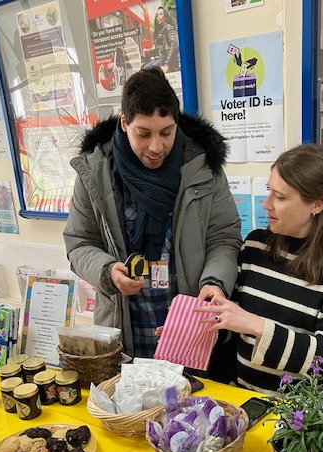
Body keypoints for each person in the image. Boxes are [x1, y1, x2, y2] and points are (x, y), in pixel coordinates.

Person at [63, 67, 241, 358]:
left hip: (190, 324)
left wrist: (215, 282)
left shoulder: (202, 168)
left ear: (176, 123)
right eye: (143, 134)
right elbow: (79, 243)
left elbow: (224, 237)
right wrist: (108, 272)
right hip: (125, 329)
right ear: (124, 122)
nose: (156, 147)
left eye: (166, 133)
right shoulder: (94, 172)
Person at [200, 144, 323, 403]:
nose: (266, 204)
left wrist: (256, 325)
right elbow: (233, 325)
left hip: (314, 410)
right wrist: (196, 328)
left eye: (280, 197)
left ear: (316, 205)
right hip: (251, 397)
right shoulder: (255, 246)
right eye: (269, 191)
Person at [143, 6, 179, 74]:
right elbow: (159, 49)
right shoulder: (160, 30)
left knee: (150, 72)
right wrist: (149, 51)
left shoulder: (168, 27)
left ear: (165, 17)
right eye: (157, 15)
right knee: (144, 69)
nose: (158, 17)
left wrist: (167, 65)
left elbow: (174, 44)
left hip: (168, 60)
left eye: (161, 14)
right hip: (161, 58)